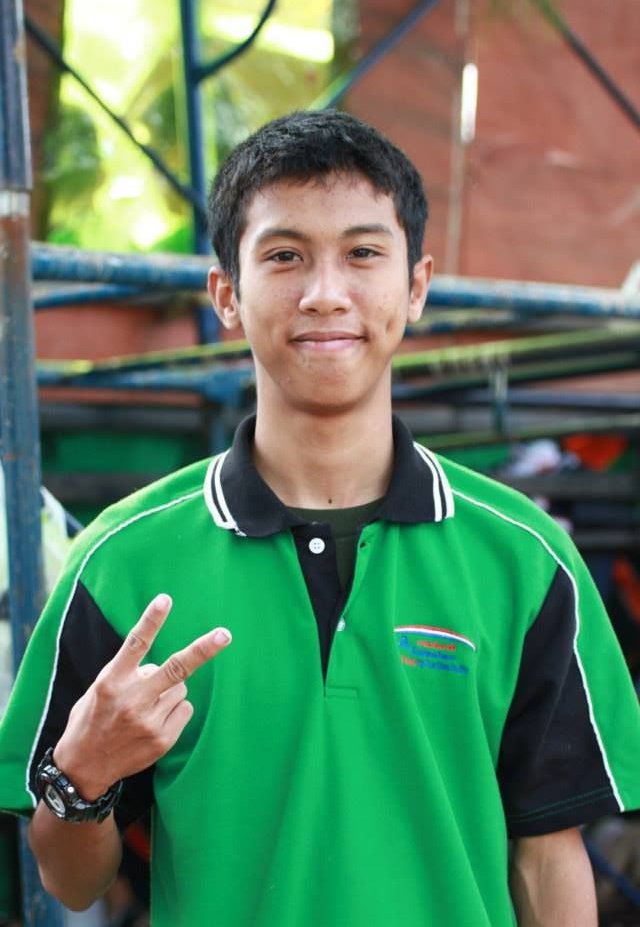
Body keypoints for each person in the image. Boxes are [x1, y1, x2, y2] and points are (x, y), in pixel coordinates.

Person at [1, 110, 639, 927]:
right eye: (285, 256)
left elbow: (547, 857)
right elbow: (70, 881)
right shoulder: (122, 561)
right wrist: (82, 775)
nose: (325, 293)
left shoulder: (526, 557)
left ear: (416, 286)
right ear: (227, 294)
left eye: (363, 253)